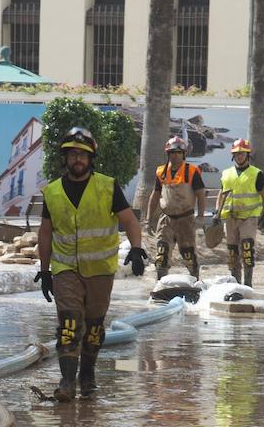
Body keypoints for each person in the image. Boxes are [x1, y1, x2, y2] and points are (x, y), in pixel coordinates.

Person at [34, 127, 148, 402]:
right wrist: (45, 270)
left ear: (91, 158)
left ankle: (87, 376)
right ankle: (66, 381)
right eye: (72, 154)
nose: (77, 159)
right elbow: (46, 232)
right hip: (65, 270)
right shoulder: (52, 192)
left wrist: (136, 248)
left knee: (94, 328)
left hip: (100, 271)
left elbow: (129, 220)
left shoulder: (107, 186)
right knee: (70, 322)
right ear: (65, 158)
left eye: (82, 155)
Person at [214, 138, 264, 286]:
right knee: (232, 251)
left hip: (249, 217)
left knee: (247, 248)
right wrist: (217, 212)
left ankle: (247, 284)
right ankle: (235, 283)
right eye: (236, 153)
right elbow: (221, 194)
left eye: (242, 153)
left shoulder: (256, 173)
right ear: (233, 156)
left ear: (248, 155)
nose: (239, 156)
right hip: (230, 217)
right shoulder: (226, 173)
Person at [146, 135, 206, 280]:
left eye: (179, 152)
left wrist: (200, 216)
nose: (175, 155)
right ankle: (161, 284)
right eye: (172, 152)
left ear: (184, 154)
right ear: (168, 154)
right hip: (166, 219)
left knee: (188, 255)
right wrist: (149, 219)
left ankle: (195, 282)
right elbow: (155, 195)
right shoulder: (161, 171)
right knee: (161, 254)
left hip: (185, 219)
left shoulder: (192, 171)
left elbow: (200, 194)